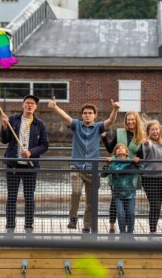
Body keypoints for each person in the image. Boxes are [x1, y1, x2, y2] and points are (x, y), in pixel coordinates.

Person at [49, 96, 120, 233]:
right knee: (76, 192)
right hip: (76, 166)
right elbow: (66, 117)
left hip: (92, 169)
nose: (87, 115)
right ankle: (73, 218)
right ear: (82, 115)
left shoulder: (99, 127)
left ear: (95, 115)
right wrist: (55, 107)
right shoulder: (76, 125)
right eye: (85, 113)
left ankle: (87, 225)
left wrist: (115, 109)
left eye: (90, 113)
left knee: (91, 201)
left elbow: (111, 120)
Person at [1, 95, 49, 233]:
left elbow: (45, 145)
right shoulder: (12, 120)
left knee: (29, 196)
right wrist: (4, 126)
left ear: (36, 107)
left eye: (32, 104)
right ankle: (10, 224)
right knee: (11, 196)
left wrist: (31, 152)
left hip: (30, 166)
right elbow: (4, 140)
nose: (30, 105)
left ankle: (29, 224)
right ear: (22, 105)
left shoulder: (39, 124)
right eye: (27, 103)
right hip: (13, 164)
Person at [102, 111, 145, 233]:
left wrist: (138, 160)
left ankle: (127, 228)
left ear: (136, 121)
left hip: (131, 172)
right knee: (114, 199)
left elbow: (141, 156)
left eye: (133, 120)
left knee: (128, 202)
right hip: (116, 169)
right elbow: (111, 149)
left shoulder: (140, 136)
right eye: (128, 120)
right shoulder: (120, 132)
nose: (130, 122)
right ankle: (112, 224)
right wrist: (104, 138)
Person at [102, 143, 142, 234]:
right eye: (118, 148)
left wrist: (138, 163)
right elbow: (103, 175)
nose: (120, 149)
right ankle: (122, 234)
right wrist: (106, 164)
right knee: (121, 213)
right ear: (115, 153)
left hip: (130, 193)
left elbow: (142, 171)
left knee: (131, 213)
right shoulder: (113, 163)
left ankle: (130, 233)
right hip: (117, 194)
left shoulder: (132, 162)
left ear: (127, 152)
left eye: (122, 148)